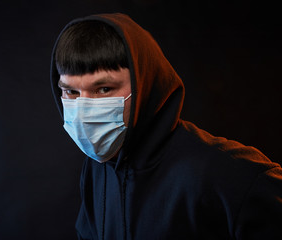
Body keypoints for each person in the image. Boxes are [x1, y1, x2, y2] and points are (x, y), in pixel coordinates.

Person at [50, 13, 282, 240]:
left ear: (145, 83)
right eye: (71, 92)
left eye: (104, 89)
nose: (84, 109)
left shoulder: (227, 173)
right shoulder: (96, 169)